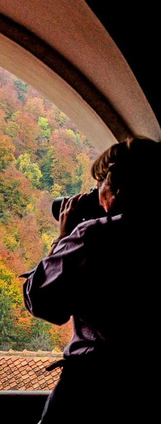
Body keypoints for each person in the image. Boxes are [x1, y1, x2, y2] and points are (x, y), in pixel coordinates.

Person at [21, 137, 160, 423]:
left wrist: (64, 237)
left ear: (116, 185)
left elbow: (43, 302)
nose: (96, 194)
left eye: (100, 184)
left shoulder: (93, 237)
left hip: (91, 389)